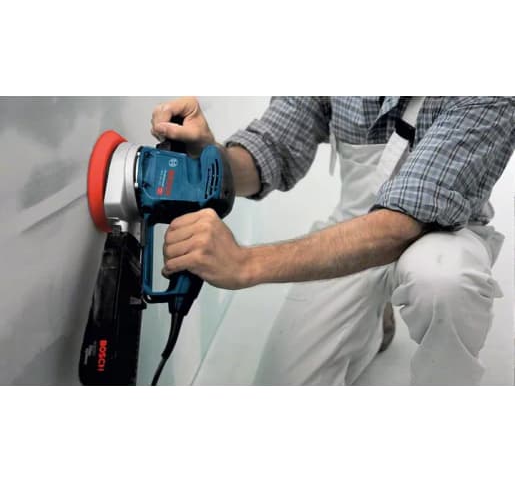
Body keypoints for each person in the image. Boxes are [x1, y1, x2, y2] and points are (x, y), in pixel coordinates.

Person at [151, 97, 514, 385]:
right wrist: (210, 158)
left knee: (444, 281)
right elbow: (273, 148)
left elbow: (401, 224)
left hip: (445, 234)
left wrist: (245, 263)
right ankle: (373, 323)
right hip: (354, 226)